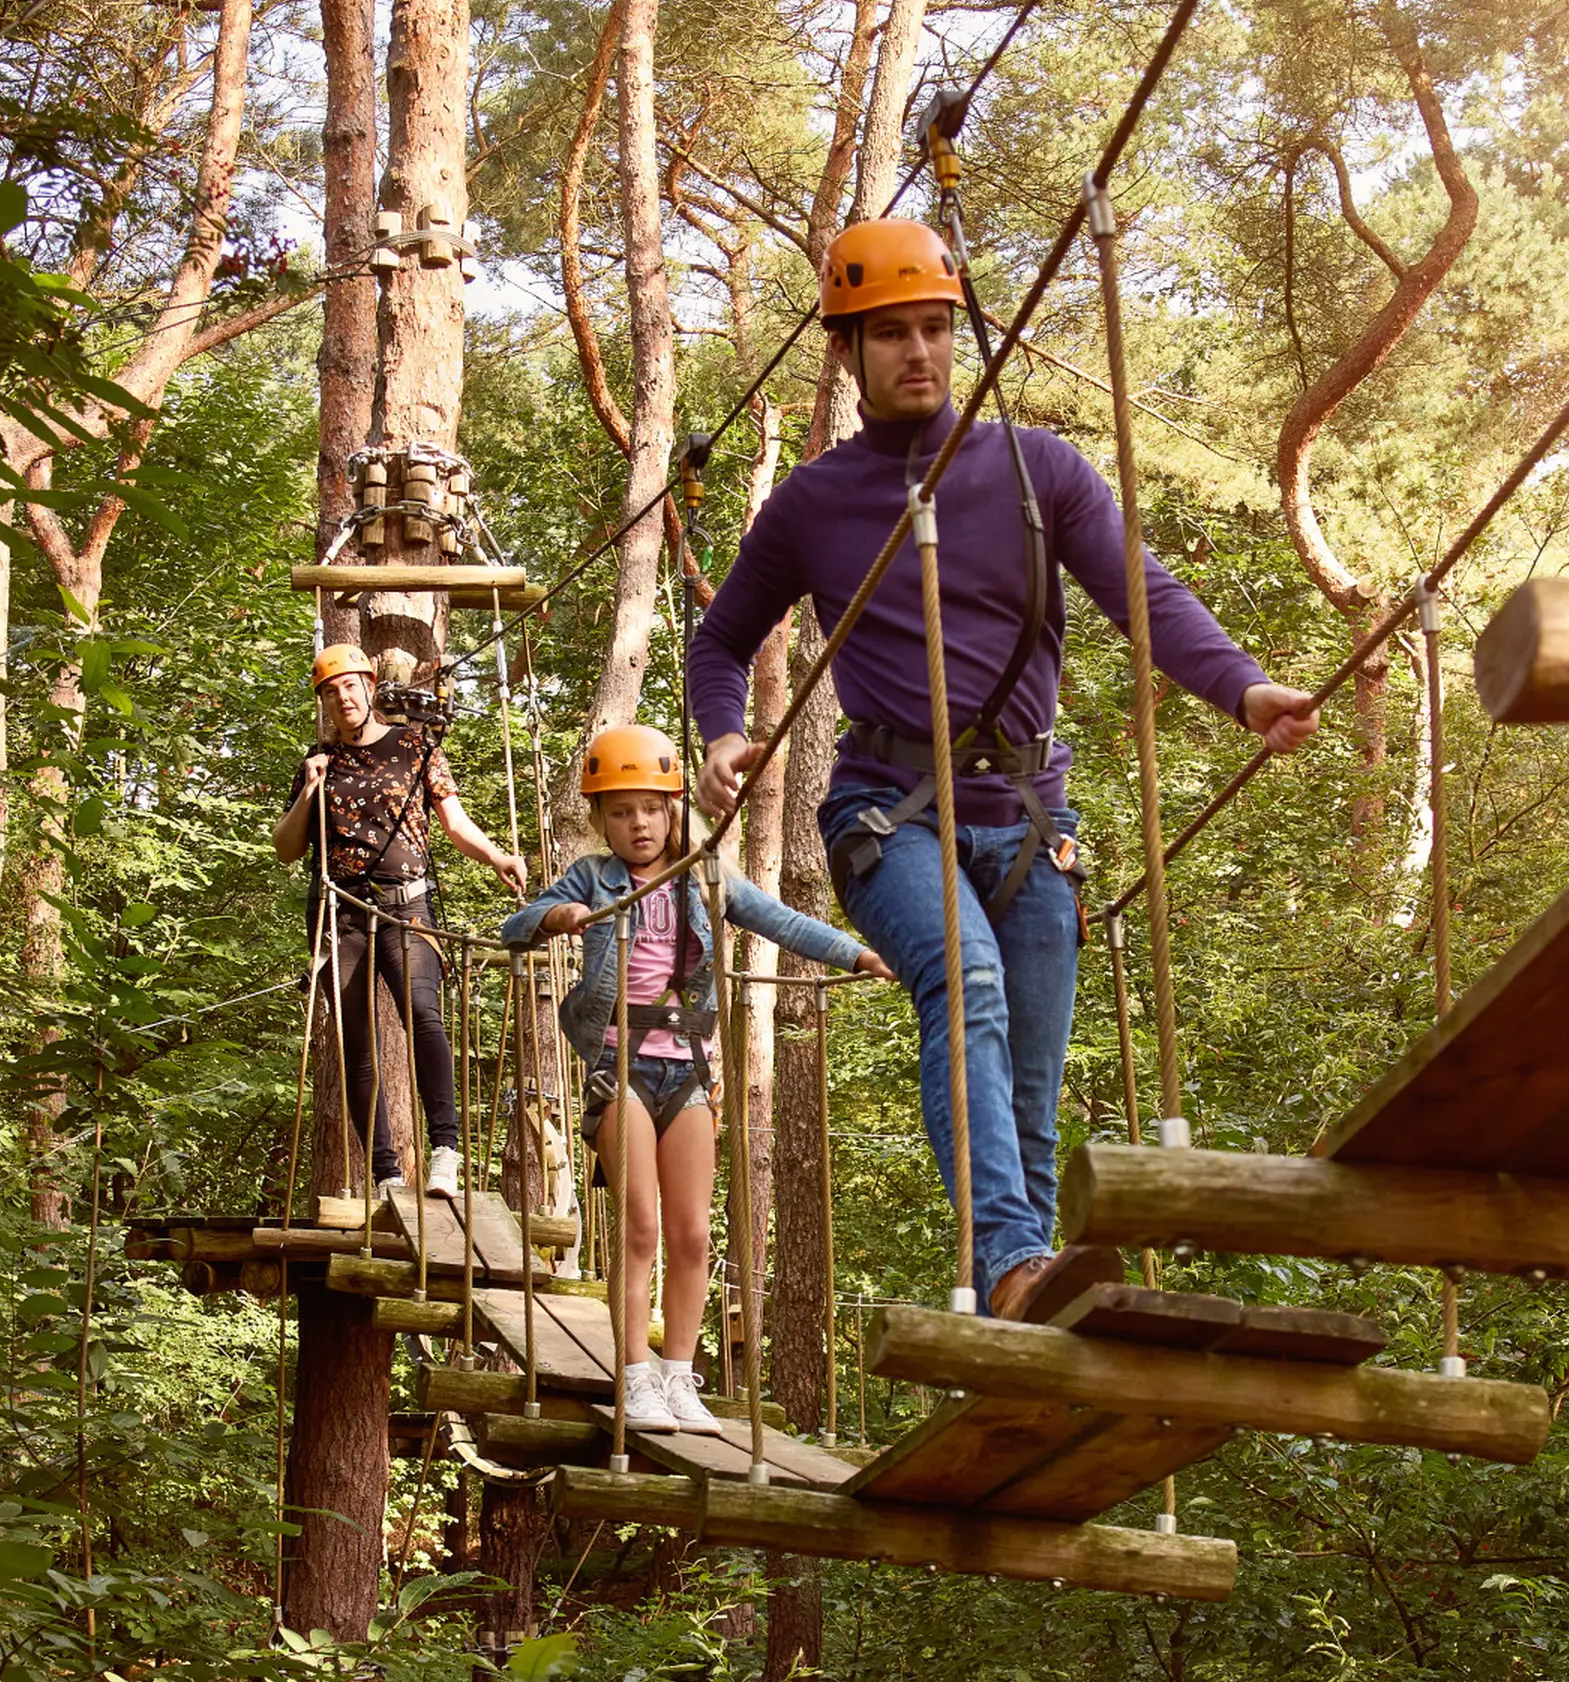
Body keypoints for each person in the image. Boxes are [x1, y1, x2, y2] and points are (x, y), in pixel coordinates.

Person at [686, 217, 1319, 1319]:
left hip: (1031, 817)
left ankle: (1021, 1294)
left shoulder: (1041, 471)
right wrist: (719, 730)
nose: (920, 353)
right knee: (965, 984)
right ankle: (1015, 1260)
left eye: (936, 328)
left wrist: (1242, 688)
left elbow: (1144, 593)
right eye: (891, 335)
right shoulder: (815, 502)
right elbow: (720, 639)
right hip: (887, 813)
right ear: (848, 351)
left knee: (1029, 1081)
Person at [499, 723, 889, 1432]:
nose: (637, 823)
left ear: (673, 807)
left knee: (691, 1237)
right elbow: (513, 926)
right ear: (601, 821)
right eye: (620, 811)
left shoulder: (706, 874)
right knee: (640, 1226)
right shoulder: (593, 878)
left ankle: (679, 1378)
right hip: (620, 1067)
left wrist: (860, 956)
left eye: (650, 807)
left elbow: (782, 922)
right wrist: (562, 914)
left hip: (690, 1071)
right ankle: (636, 1377)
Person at [276, 640, 526, 1205]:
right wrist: (310, 790)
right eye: (331, 691)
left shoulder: (414, 747)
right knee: (354, 1043)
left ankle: (445, 1152)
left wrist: (498, 858)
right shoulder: (318, 763)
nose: (342, 698)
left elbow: (455, 823)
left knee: (422, 1012)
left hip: (405, 905)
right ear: (323, 701)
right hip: (340, 913)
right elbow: (287, 848)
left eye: (350, 686)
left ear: (369, 688)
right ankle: (386, 1173)